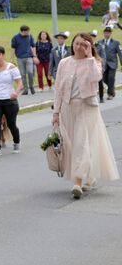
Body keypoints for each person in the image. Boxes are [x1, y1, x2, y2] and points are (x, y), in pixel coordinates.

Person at [52, 32, 120, 199]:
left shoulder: (94, 62)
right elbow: (58, 89)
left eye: (84, 44)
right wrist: (56, 112)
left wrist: (90, 57)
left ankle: (77, 182)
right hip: (68, 108)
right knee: (73, 144)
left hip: (86, 108)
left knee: (82, 143)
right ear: (72, 44)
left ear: (90, 46)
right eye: (77, 43)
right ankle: (88, 176)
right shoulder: (64, 63)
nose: (79, 47)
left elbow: (96, 78)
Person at [97, 25, 122, 102]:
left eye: (108, 33)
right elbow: (97, 54)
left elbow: (120, 54)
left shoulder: (116, 43)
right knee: (104, 79)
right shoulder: (99, 42)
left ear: (111, 33)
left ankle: (110, 94)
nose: (107, 34)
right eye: (105, 32)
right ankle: (112, 89)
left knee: (111, 78)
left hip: (112, 64)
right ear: (103, 33)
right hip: (103, 64)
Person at [11, 25, 37, 95]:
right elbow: (13, 48)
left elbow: (33, 46)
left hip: (29, 57)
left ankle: (31, 86)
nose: (28, 32)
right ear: (23, 31)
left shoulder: (29, 36)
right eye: (27, 31)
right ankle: (25, 89)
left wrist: (34, 56)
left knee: (30, 72)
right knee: (22, 74)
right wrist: (12, 59)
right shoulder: (15, 38)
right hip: (20, 58)